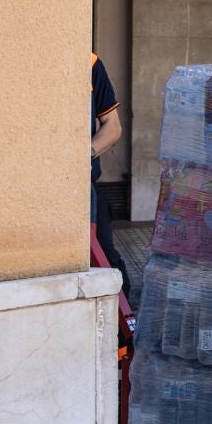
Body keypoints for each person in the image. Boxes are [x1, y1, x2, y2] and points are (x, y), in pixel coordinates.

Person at [90, 53, 126, 277]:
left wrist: (84, 154)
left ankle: (125, 312)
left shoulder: (90, 63)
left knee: (106, 262)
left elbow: (113, 127)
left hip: (83, 187)